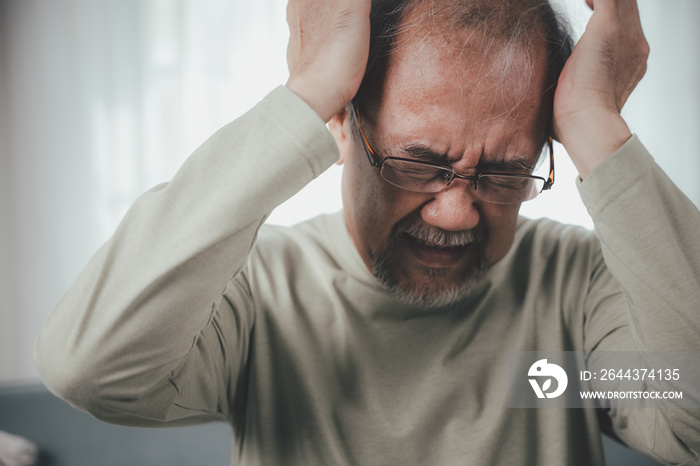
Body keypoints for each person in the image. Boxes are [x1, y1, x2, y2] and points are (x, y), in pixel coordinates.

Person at [35, 0, 700, 464]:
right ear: (344, 125)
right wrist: (308, 93)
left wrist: (593, 120)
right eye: (419, 163)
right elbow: (93, 368)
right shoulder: (261, 292)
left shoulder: (574, 294)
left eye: (504, 173)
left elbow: (689, 417)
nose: (456, 214)